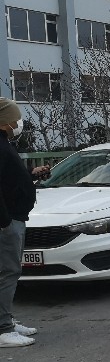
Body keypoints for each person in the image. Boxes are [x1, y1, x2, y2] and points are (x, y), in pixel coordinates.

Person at [0, 97, 47, 348]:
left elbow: (9, 179)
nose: (18, 123)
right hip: (8, 223)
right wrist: (4, 222)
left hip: (15, 218)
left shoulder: (5, 144)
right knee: (7, 273)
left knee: (9, 272)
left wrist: (30, 175)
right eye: (15, 118)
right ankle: (3, 329)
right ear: (6, 121)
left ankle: (6, 320)